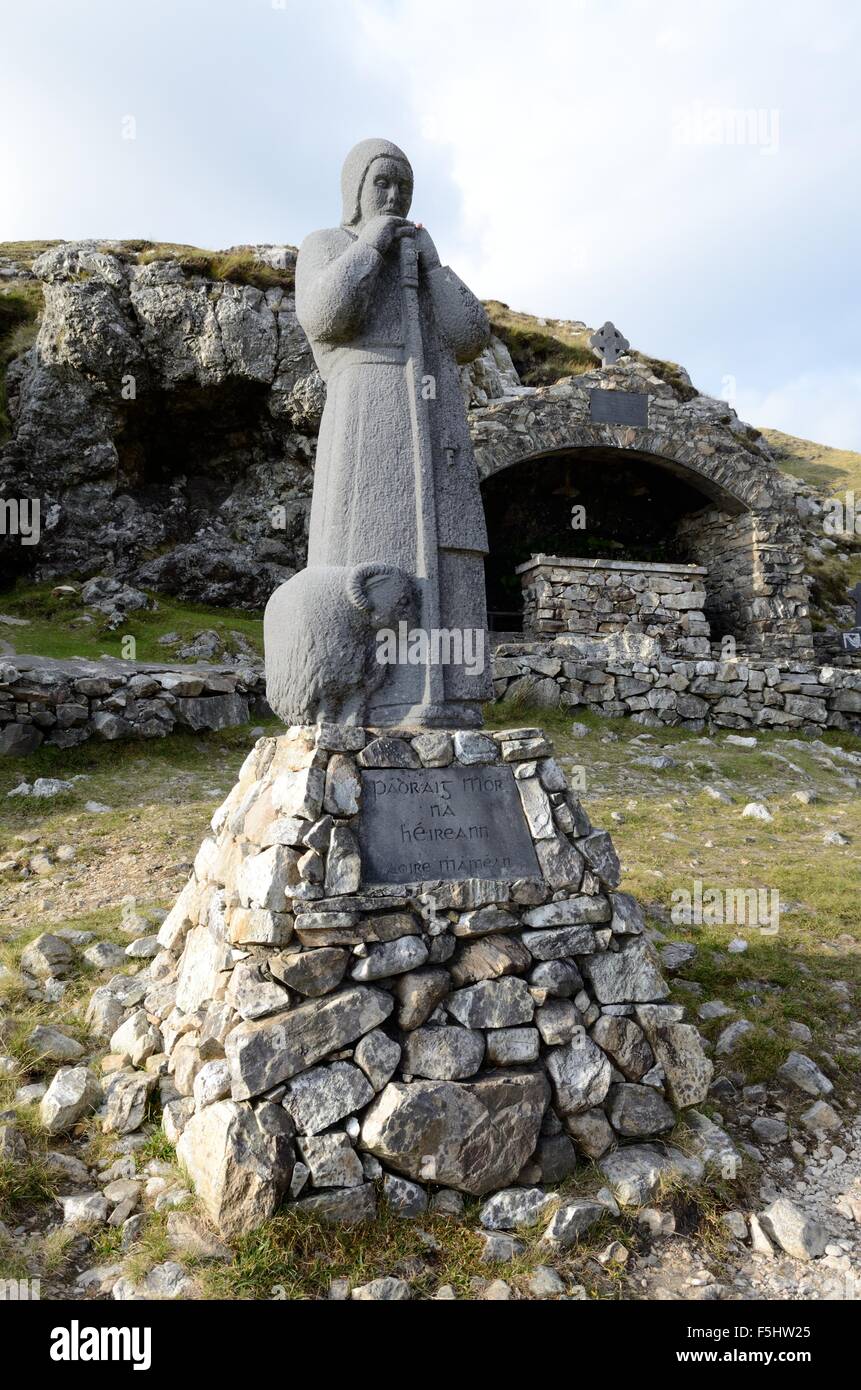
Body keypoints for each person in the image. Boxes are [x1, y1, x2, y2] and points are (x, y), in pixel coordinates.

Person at [295, 137, 493, 725]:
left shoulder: (422, 261)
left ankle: (452, 698)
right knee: (368, 554)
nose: (394, 196)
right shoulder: (327, 245)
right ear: (355, 191)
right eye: (381, 183)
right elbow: (325, 314)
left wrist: (433, 267)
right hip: (369, 411)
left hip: (436, 419)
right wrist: (374, 245)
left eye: (403, 186)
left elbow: (469, 336)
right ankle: (363, 699)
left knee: (450, 550)